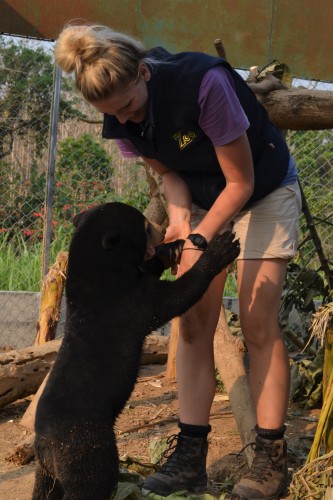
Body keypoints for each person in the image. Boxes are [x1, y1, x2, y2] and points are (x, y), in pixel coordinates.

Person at [55, 23, 301, 500]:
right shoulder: (121, 119)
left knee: (256, 318)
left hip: (261, 189)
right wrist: (183, 222)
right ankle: (191, 456)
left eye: (127, 107)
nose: (124, 121)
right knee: (192, 323)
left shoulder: (204, 83)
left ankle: (270, 459)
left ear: (144, 74)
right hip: (205, 196)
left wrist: (197, 240)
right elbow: (170, 175)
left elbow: (241, 184)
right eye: (112, 115)